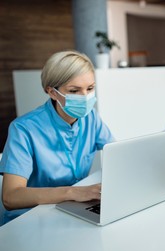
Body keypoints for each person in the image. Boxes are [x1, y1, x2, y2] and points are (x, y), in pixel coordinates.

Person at [0, 50, 114, 224]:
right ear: (52, 92)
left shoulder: (91, 118)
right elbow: (10, 197)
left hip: (72, 209)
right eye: (74, 90)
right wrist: (72, 192)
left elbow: (116, 154)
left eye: (90, 88)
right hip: (30, 218)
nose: (85, 97)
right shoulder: (23, 129)